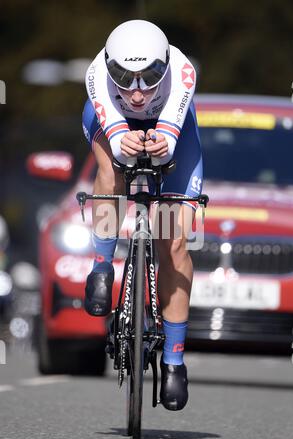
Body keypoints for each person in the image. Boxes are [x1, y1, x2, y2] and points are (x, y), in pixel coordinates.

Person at [82, 19, 203, 411]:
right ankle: (101, 266)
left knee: (173, 243)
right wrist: (122, 139)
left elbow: (168, 149)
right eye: (124, 76)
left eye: (150, 76)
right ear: (108, 65)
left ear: (166, 66)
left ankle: (173, 360)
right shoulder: (96, 74)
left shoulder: (183, 72)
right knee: (110, 171)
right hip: (110, 127)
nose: (136, 92)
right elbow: (118, 144)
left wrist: (159, 142)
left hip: (173, 135)